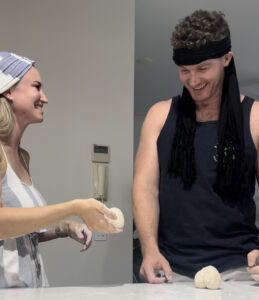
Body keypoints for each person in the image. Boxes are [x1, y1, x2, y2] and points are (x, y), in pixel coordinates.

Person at [133, 10, 259, 284]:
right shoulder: (159, 115)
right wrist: (149, 249)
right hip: (168, 267)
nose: (193, 80)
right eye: (185, 71)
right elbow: (145, 187)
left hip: (239, 268)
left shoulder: (255, 117)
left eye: (202, 68)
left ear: (226, 59)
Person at [0, 52, 122, 288]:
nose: (44, 98)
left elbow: (19, 237)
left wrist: (64, 227)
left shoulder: (22, 158)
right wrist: (74, 207)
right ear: (8, 90)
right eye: (37, 87)